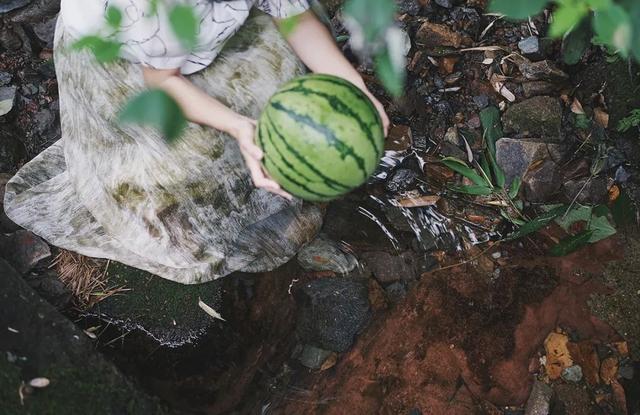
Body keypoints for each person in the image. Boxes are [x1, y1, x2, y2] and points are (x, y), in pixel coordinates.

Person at [3, 0, 389, 284]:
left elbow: (294, 18)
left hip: (199, 36)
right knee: (194, 155)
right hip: (133, 62)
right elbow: (161, 81)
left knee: (279, 76)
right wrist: (240, 127)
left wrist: (352, 88)